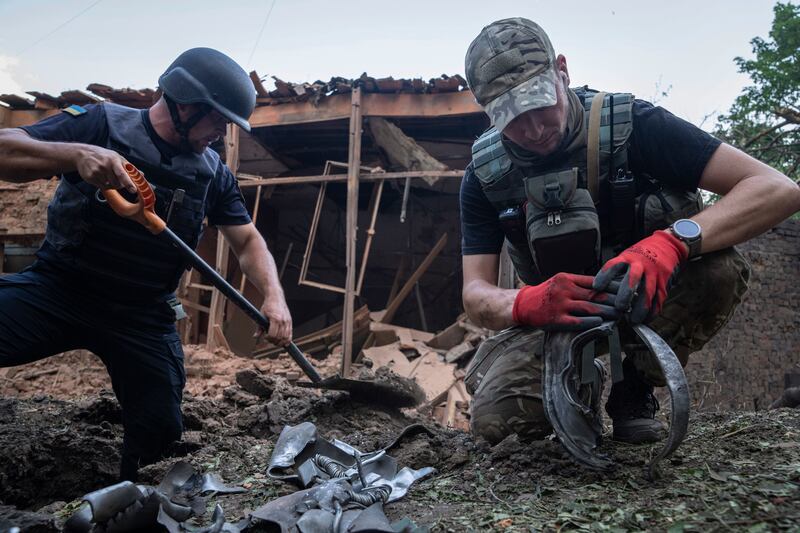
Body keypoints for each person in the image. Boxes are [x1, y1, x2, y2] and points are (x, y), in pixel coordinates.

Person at [460, 18, 800, 446]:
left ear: (561, 70)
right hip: (559, 317)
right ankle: (576, 382)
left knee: (719, 268)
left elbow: (778, 189)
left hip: (647, 297)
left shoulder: (632, 124)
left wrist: (671, 243)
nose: (532, 129)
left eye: (539, 101)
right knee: (497, 425)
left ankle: (634, 389)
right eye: (509, 117)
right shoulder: (484, 174)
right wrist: (526, 302)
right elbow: (475, 294)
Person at [0, 48, 293, 480]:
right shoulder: (100, 123)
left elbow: (247, 240)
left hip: (142, 316)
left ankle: (127, 505)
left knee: (160, 433)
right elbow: (7, 150)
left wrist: (274, 297)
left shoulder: (214, 174)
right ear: (186, 103)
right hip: (59, 291)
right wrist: (75, 154)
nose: (223, 131)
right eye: (218, 119)